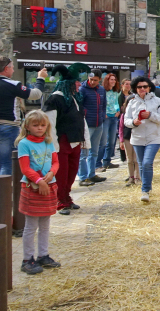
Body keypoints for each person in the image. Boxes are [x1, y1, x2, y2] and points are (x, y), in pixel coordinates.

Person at [0, 56, 46, 211]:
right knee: (6, 163)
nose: (12, 70)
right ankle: (3, 198)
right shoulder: (11, 84)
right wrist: (40, 78)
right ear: (5, 68)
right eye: (11, 67)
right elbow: (36, 94)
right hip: (7, 126)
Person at [16, 110, 62, 274]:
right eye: (36, 125)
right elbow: (25, 167)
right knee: (31, 226)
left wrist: (51, 173)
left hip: (49, 184)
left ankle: (43, 255)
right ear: (28, 126)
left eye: (43, 125)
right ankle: (27, 258)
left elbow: (56, 162)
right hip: (33, 186)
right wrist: (39, 180)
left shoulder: (49, 141)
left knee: (45, 224)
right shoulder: (24, 143)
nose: (40, 128)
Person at [42, 63, 91, 215]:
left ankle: (66, 197)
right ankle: (60, 200)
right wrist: (53, 148)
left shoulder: (75, 99)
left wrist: (85, 141)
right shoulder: (55, 100)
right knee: (61, 174)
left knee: (71, 173)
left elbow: (82, 121)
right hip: (61, 143)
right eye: (76, 82)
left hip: (75, 141)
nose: (79, 84)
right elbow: (49, 125)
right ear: (68, 84)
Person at [125, 77, 160, 202]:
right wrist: (133, 122)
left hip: (153, 137)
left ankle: (145, 190)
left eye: (145, 86)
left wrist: (150, 115)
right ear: (135, 89)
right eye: (139, 87)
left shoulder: (157, 101)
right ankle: (147, 187)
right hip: (137, 138)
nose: (142, 89)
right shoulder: (132, 102)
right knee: (141, 164)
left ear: (149, 87)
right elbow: (126, 120)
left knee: (147, 163)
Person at [78, 69, 107, 186]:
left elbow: (103, 105)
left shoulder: (101, 90)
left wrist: (102, 117)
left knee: (94, 151)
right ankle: (83, 177)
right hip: (86, 125)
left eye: (95, 80)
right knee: (83, 153)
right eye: (91, 80)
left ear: (100, 79)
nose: (93, 82)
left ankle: (91, 174)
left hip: (98, 124)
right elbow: (79, 106)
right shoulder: (82, 89)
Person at [99, 73, 121, 170]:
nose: (113, 81)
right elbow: (101, 103)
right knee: (103, 141)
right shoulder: (103, 91)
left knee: (111, 141)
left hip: (114, 117)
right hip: (106, 117)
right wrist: (104, 113)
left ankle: (107, 161)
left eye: (114, 79)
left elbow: (116, 102)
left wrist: (118, 110)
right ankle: (98, 163)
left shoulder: (115, 91)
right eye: (111, 79)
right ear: (107, 80)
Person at [118, 94, 139, 187]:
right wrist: (121, 140)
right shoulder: (124, 114)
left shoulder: (139, 114)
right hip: (127, 137)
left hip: (138, 137)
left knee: (136, 159)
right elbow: (121, 128)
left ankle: (137, 177)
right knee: (129, 159)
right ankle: (130, 177)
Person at [118, 78, 132, 163]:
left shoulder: (132, 95)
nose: (128, 86)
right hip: (121, 117)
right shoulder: (119, 96)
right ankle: (123, 156)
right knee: (121, 135)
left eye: (129, 84)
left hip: (129, 116)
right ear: (122, 85)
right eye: (126, 84)